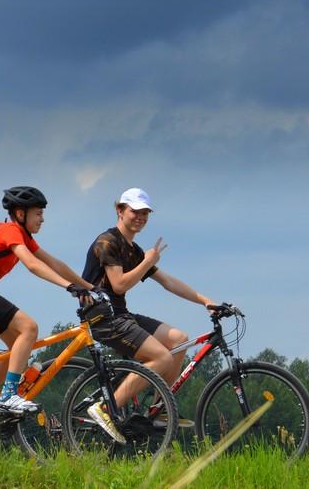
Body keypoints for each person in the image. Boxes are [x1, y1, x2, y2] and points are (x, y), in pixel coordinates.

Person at [81, 187, 216, 440]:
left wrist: (205, 301)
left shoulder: (133, 250)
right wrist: (147, 262)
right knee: (162, 358)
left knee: (179, 339)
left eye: (145, 213)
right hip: (102, 318)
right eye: (135, 211)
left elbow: (168, 282)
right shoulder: (107, 243)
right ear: (120, 210)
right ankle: (106, 409)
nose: (141, 217)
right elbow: (119, 284)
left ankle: (159, 408)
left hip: (120, 314)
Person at [0, 186, 93, 415]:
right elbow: (33, 265)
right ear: (20, 214)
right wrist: (68, 286)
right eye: (38, 213)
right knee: (29, 328)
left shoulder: (23, 236)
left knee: (16, 344)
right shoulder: (10, 231)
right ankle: (7, 397)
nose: (42, 219)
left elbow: (54, 263)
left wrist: (89, 287)